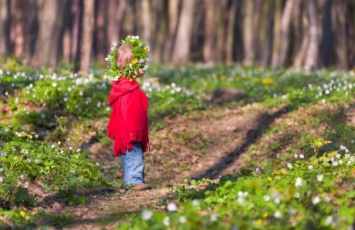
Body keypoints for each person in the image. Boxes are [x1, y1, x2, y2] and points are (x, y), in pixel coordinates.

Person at [107, 36, 151, 191]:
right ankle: (133, 180)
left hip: (130, 129)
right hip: (129, 130)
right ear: (131, 66)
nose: (144, 67)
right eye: (141, 63)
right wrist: (132, 131)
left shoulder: (127, 86)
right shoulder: (127, 89)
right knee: (133, 155)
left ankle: (136, 179)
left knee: (134, 155)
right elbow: (127, 111)